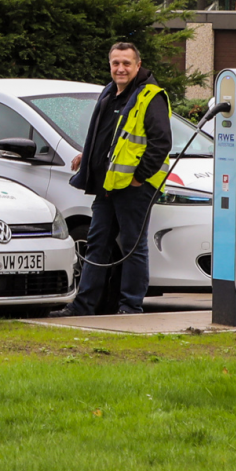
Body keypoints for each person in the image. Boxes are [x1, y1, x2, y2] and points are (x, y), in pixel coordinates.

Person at [63, 41, 171, 316]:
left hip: (135, 188)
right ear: (110, 65)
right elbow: (107, 136)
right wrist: (86, 155)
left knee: (134, 248)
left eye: (126, 63)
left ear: (138, 64)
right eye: (115, 63)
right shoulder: (109, 93)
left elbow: (161, 143)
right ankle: (83, 306)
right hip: (107, 187)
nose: (120, 68)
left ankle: (130, 307)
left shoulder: (151, 96)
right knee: (96, 246)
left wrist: (139, 178)